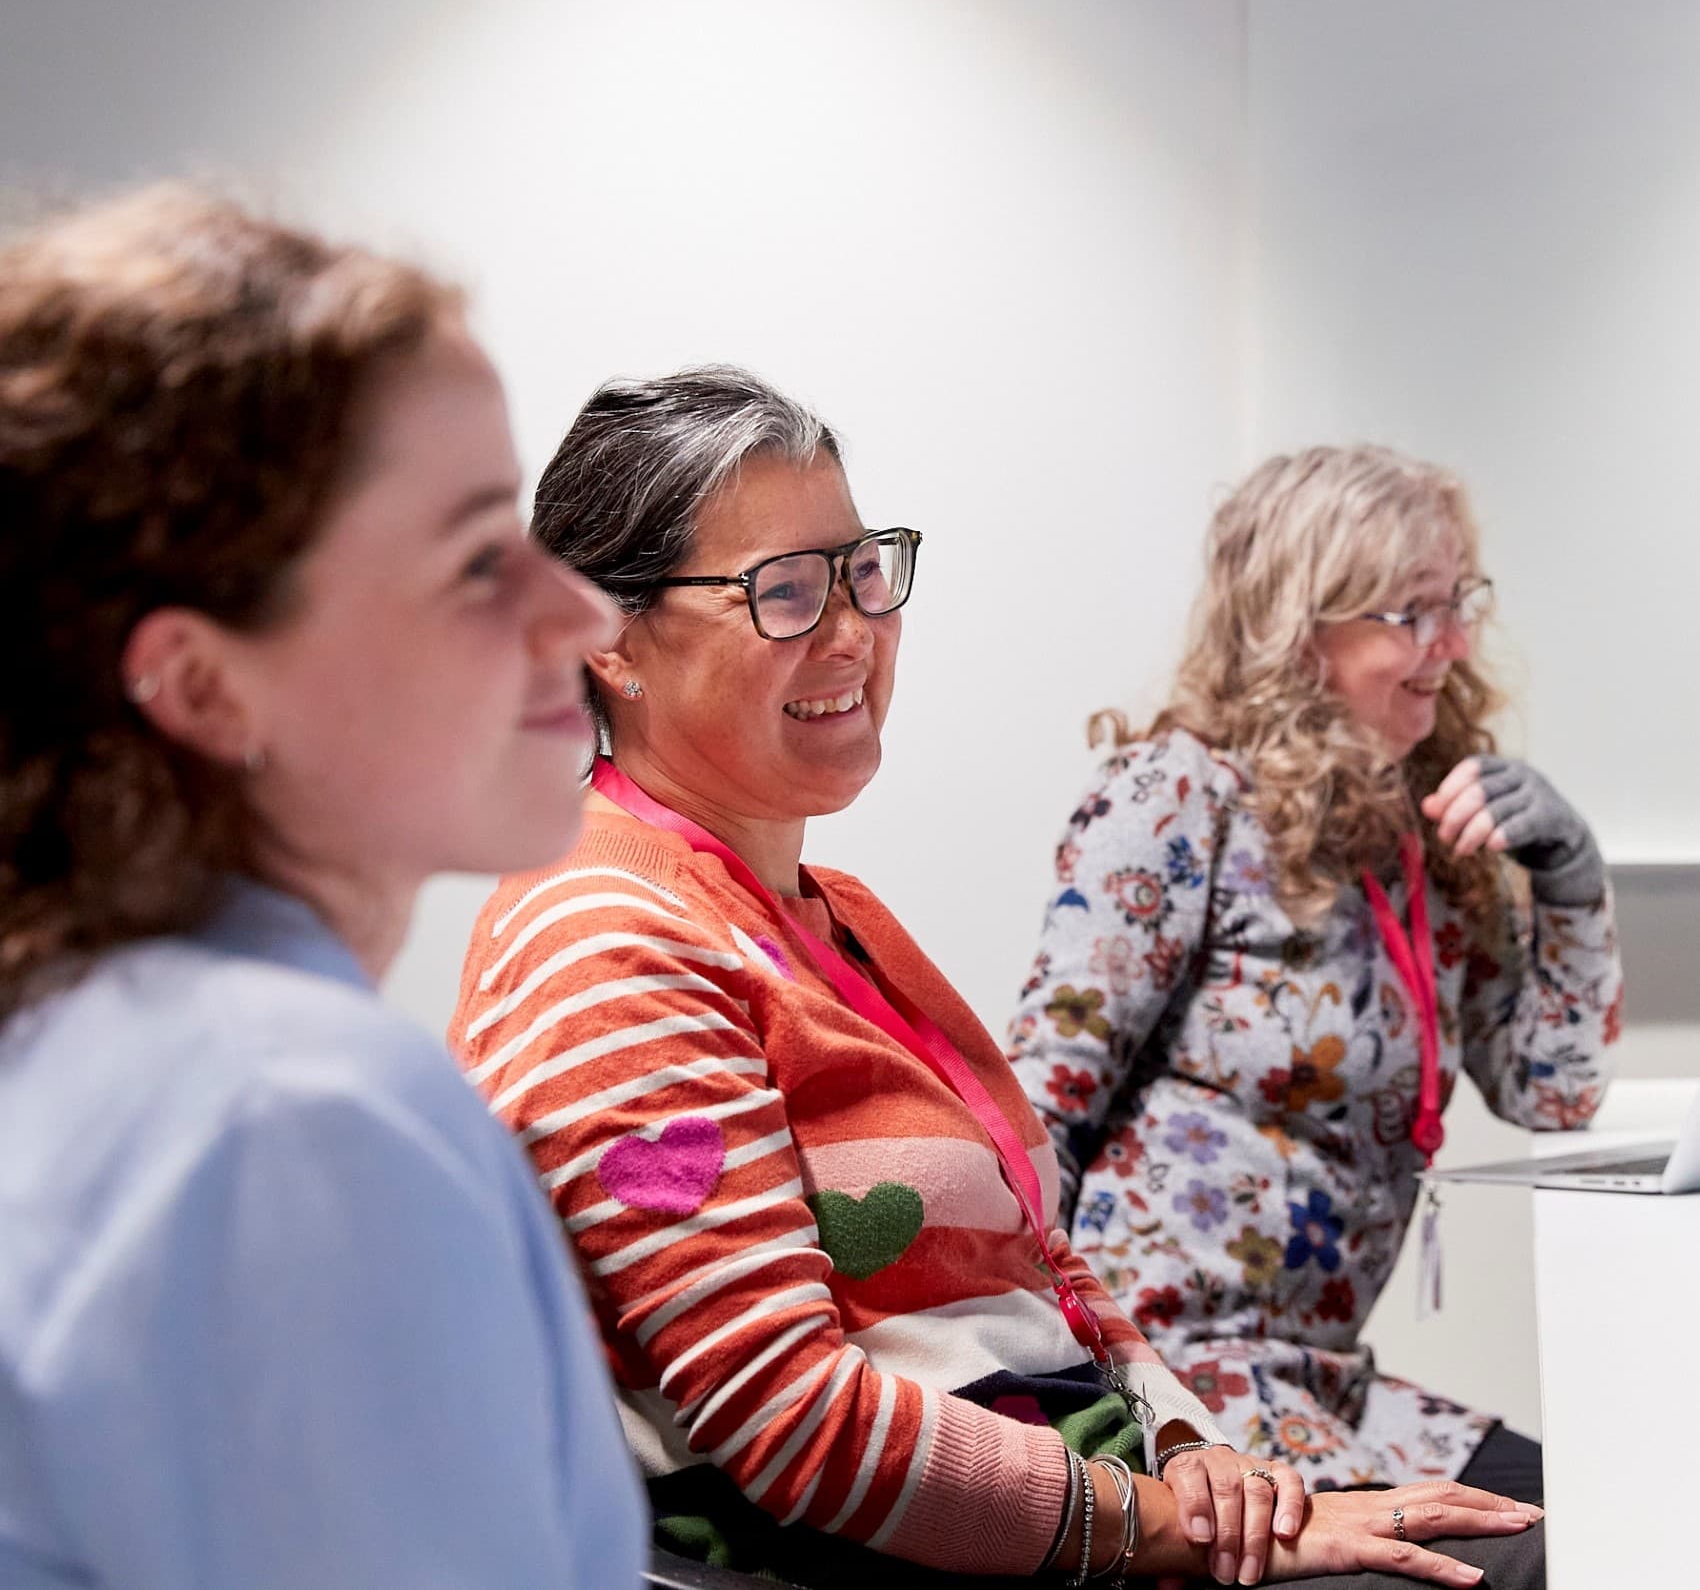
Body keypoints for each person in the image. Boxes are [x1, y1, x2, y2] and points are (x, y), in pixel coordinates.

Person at [452, 374, 1544, 1590]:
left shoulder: (840, 917)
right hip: (917, 1551)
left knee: (1548, 1540)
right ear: (603, 638)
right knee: (1533, 1557)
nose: (854, 629)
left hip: (1108, 1479)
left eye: (863, 569)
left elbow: (1041, 1255)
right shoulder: (605, 934)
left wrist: (1192, 1448)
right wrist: (1160, 1522)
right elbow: (787, 1421)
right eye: (785, 589)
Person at [0, 186, 645, 1589]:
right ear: (199, 683)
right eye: (481, 561)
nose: (582, 614)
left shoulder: (89, 1038)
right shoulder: (291, 1130)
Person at [1006, 445, 1621, 1505]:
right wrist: (1057, 1414)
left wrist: (1568, 877)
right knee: (1524, 1554)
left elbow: (1548, 1091)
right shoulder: (1175, 797)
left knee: (1594, 1527)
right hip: (1169, 1375)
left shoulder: (1419, 823)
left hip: (1318, 1380)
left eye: (1456, 602)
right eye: (1408, 612)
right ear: (1298, 627)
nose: (1452, 643)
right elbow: (1033, 1121)